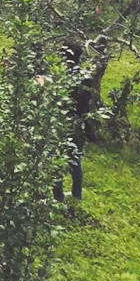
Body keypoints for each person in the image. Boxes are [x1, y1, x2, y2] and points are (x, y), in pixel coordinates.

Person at [55, 41, 92, 203]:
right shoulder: (87, 77)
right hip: (80, 122)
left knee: (57, 159)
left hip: (62, 122)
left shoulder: (61, 77)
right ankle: (77, 194)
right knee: (75, 157)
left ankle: (58, 197)